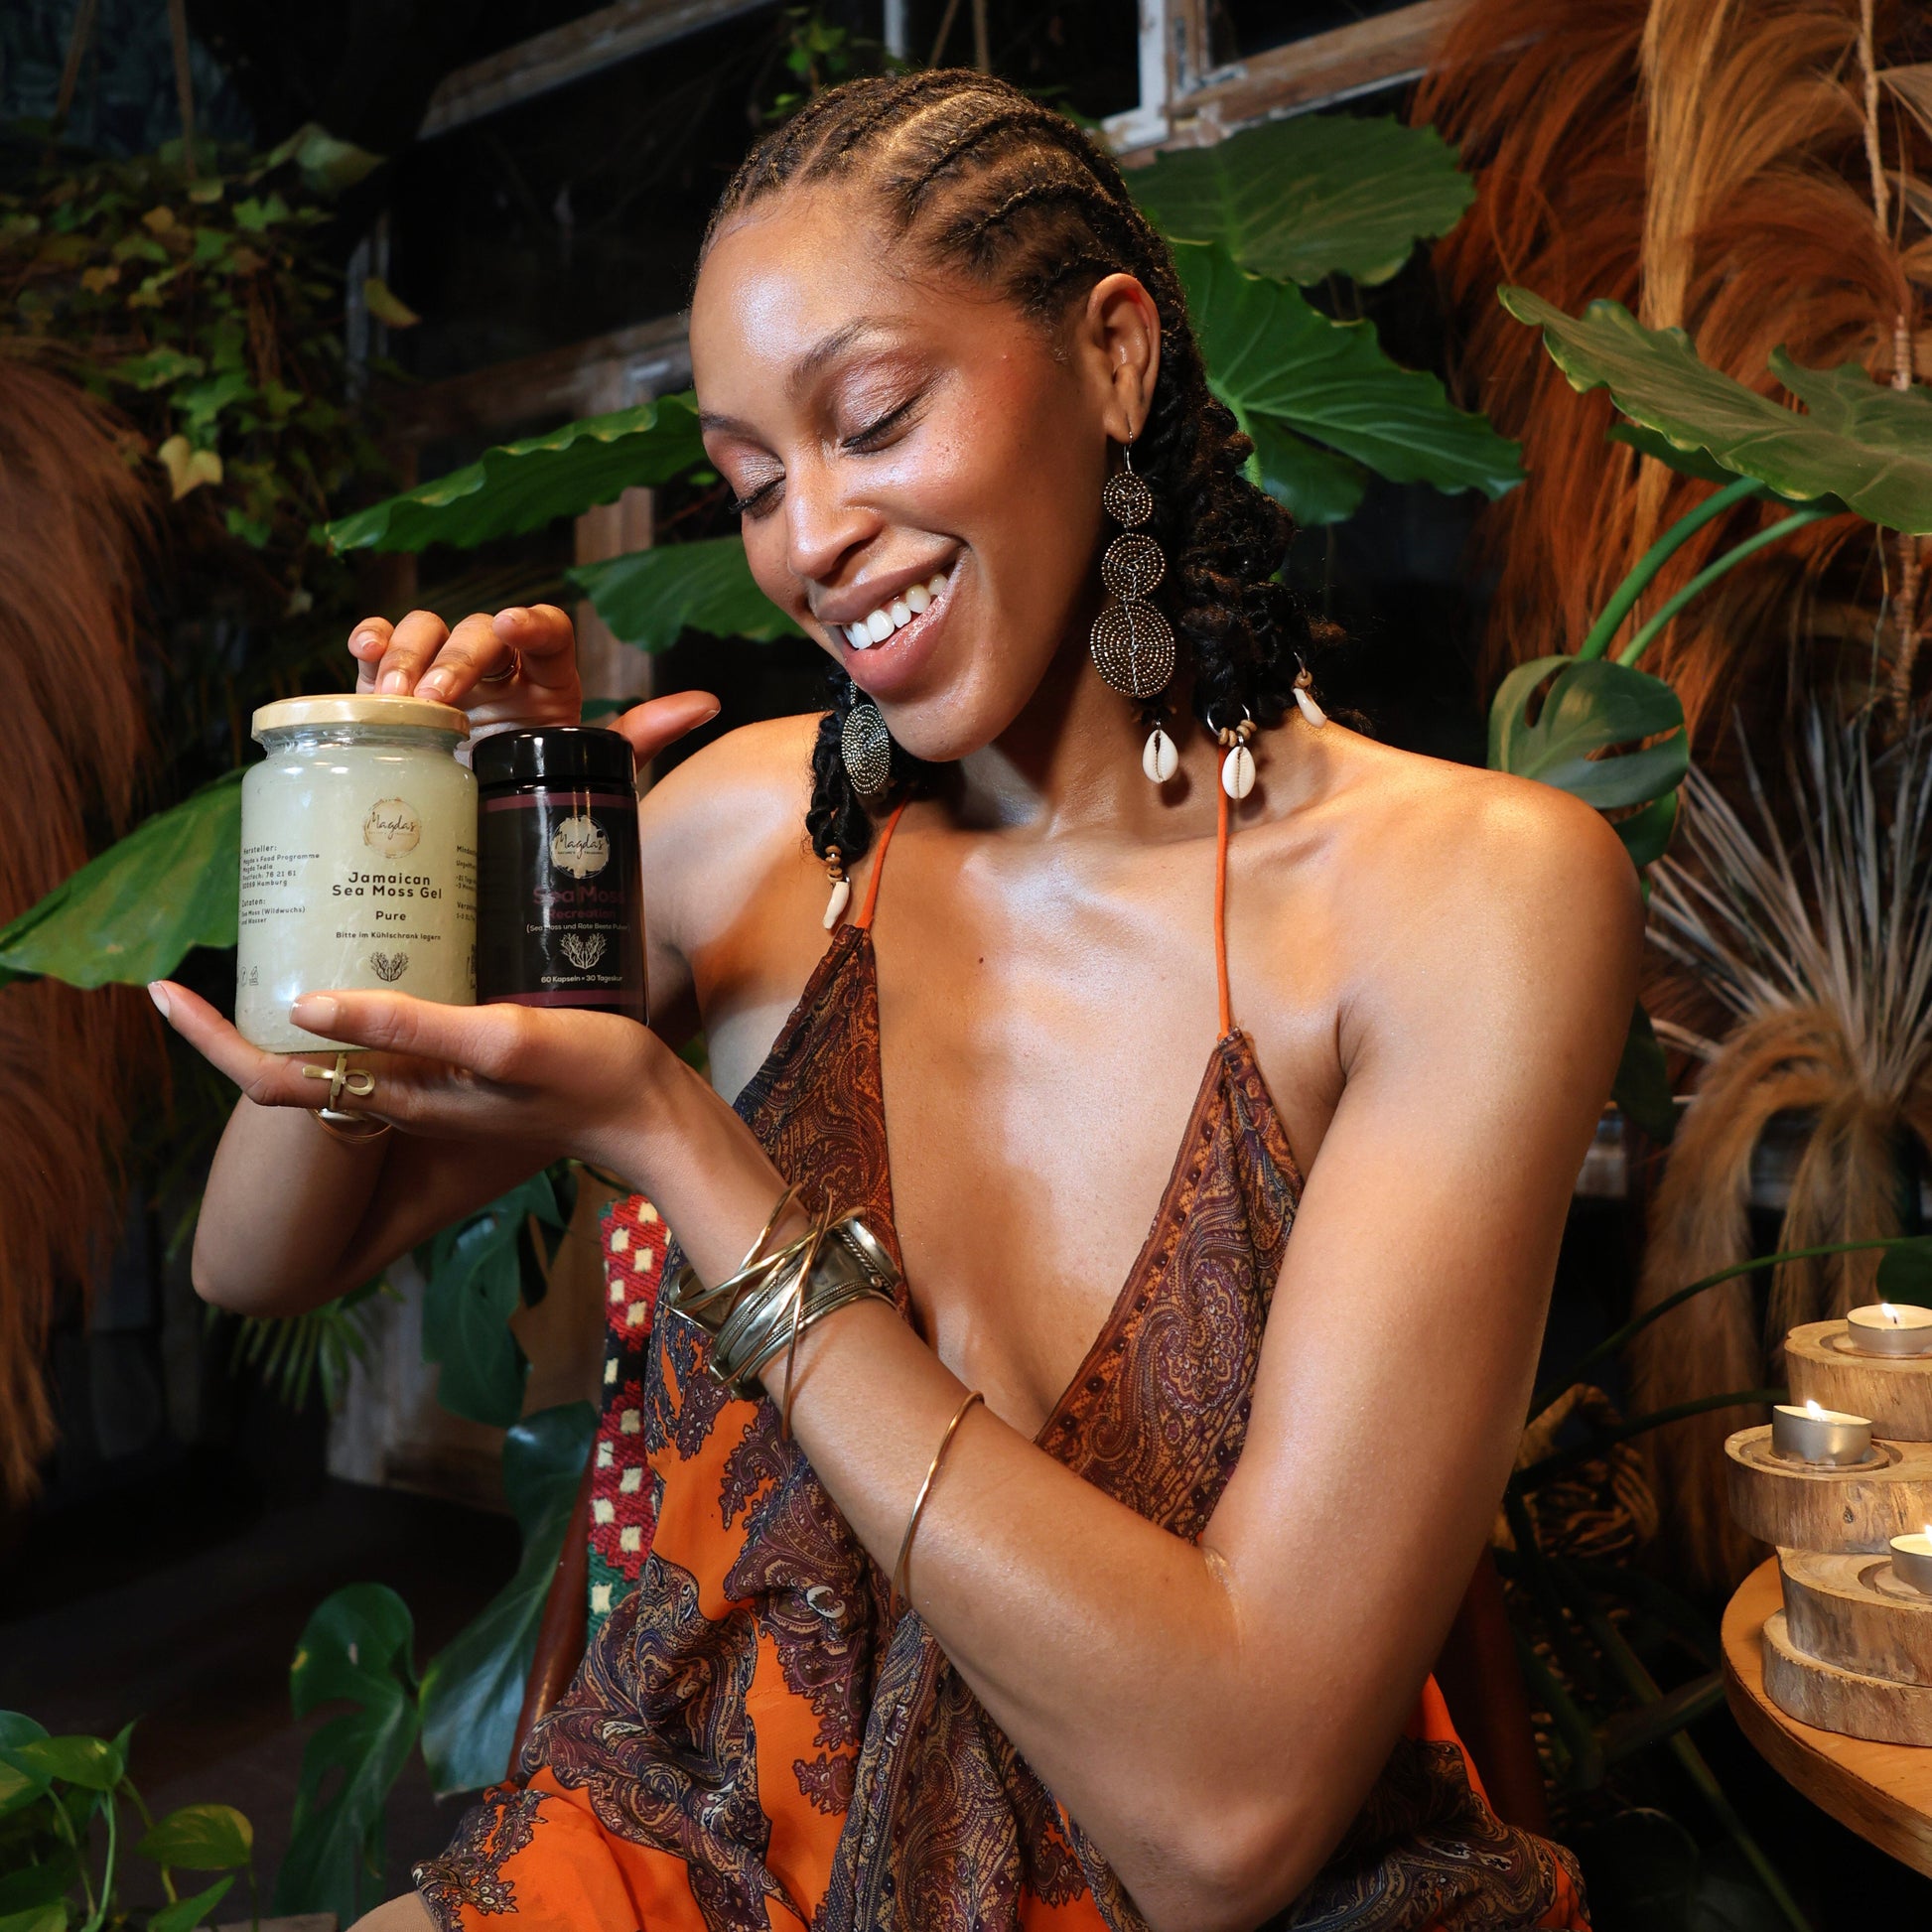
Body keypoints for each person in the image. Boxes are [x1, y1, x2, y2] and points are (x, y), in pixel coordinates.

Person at [158, 70, 1636, 1932]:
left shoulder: (1469, 896)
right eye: (750, 484)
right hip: (700, 1847)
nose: (809, 539)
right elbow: (267, 1254)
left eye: (871, 420)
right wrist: (428, 868)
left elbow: (1224, 1826)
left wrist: (689, 1148)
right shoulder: (749, 843)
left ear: (1111, 357)